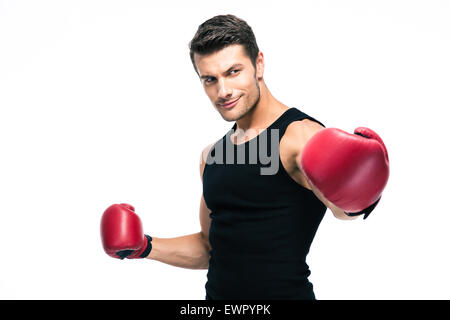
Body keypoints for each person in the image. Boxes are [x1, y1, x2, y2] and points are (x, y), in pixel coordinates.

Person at [100, 14, 389, 300]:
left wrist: (361, 191)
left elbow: (343, 209)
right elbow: (209, 248)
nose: (223, 91)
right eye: (210, 79)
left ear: (258, 64)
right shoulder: (212, 156)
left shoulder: (299, 136)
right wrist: (144, 246)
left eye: (233, 72)